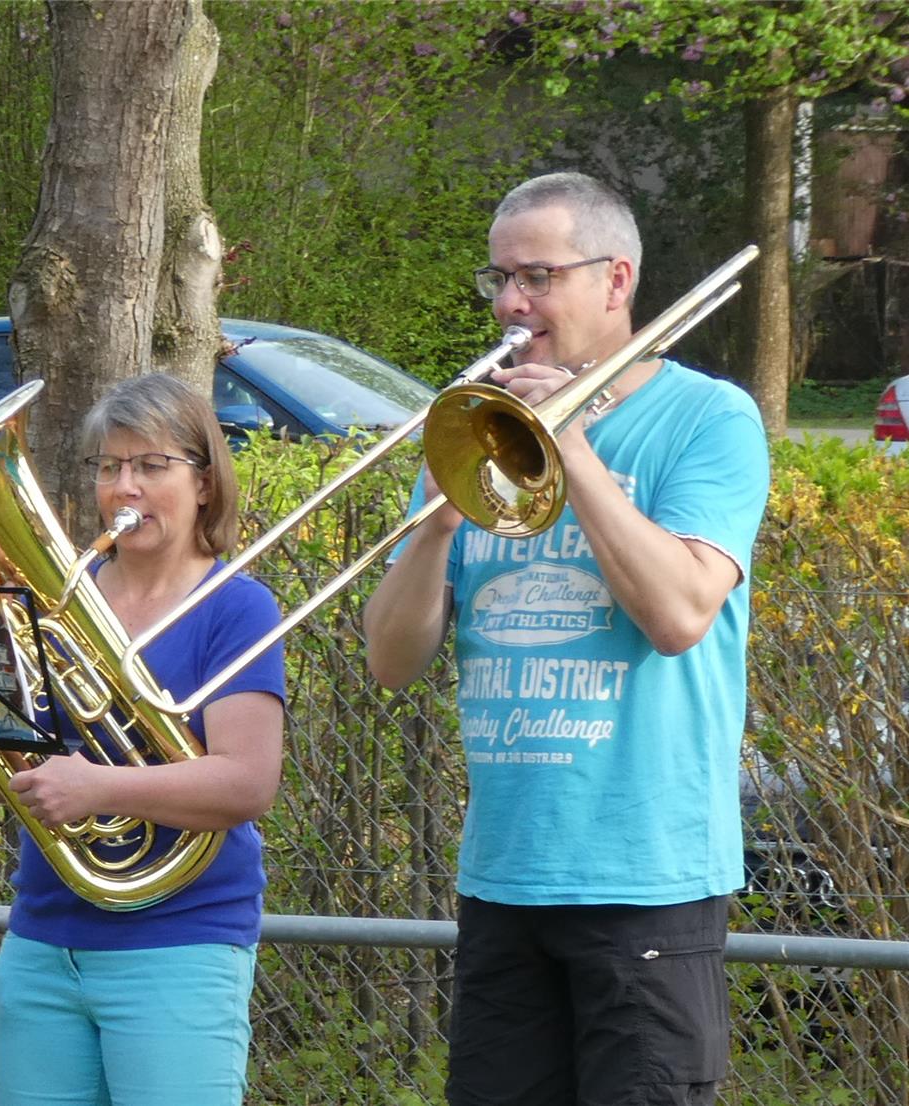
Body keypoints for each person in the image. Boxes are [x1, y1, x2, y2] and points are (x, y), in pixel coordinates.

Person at [361, 172, 770, 1106]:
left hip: (647, 877)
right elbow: (390, 661)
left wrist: (571, 445)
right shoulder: (477, 429)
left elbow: (678, 616)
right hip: (505, 874)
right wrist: (437, 520)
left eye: (538, 276)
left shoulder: (710, 419)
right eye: (500, 278)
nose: (512, 301)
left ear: (616, 279)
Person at [0, 372, 286, 1106]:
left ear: (205, 482)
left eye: (151, 465)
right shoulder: (51, 602)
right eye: (108, 467)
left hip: (180, 945)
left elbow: (247, 782)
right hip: (43, 942)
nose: (124, 487)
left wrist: (100, 787)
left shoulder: (236, 607)